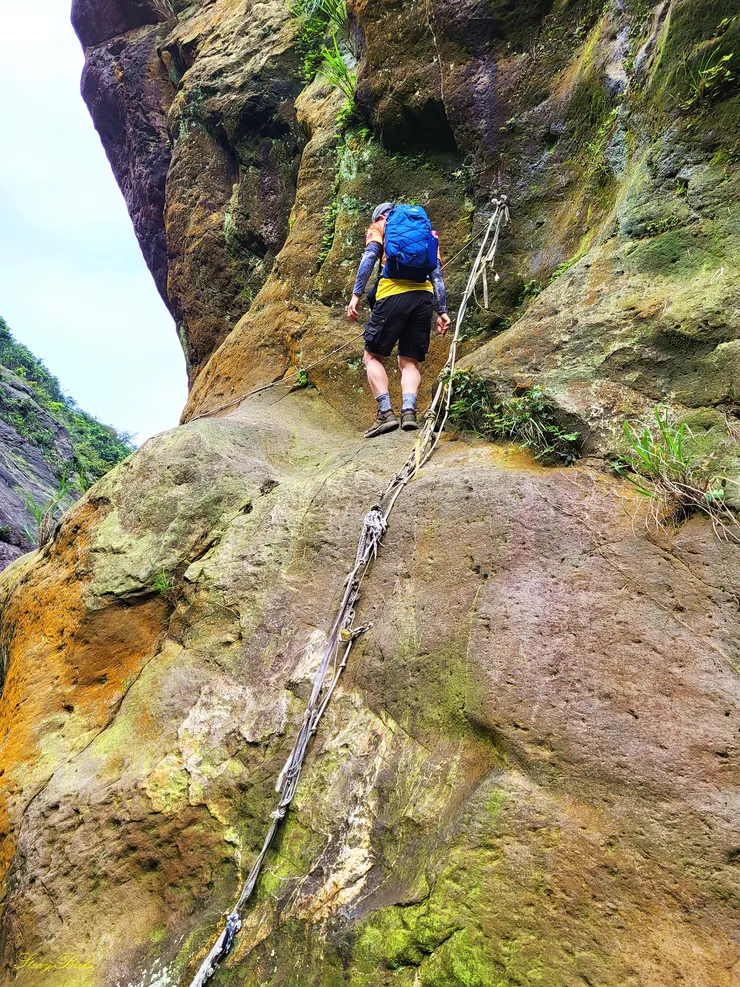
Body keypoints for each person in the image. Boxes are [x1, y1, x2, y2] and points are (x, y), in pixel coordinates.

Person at [347, 202, 451, 438]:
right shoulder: (427, 232)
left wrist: (356, 295)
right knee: (409, 361)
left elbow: (370, 257)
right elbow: (436, 273)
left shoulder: (381, 225)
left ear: (381, 215)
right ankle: (409, 413)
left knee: (372, 356)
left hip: (392, 294)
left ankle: (385, 413)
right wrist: (441, 310)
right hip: (423, 298)